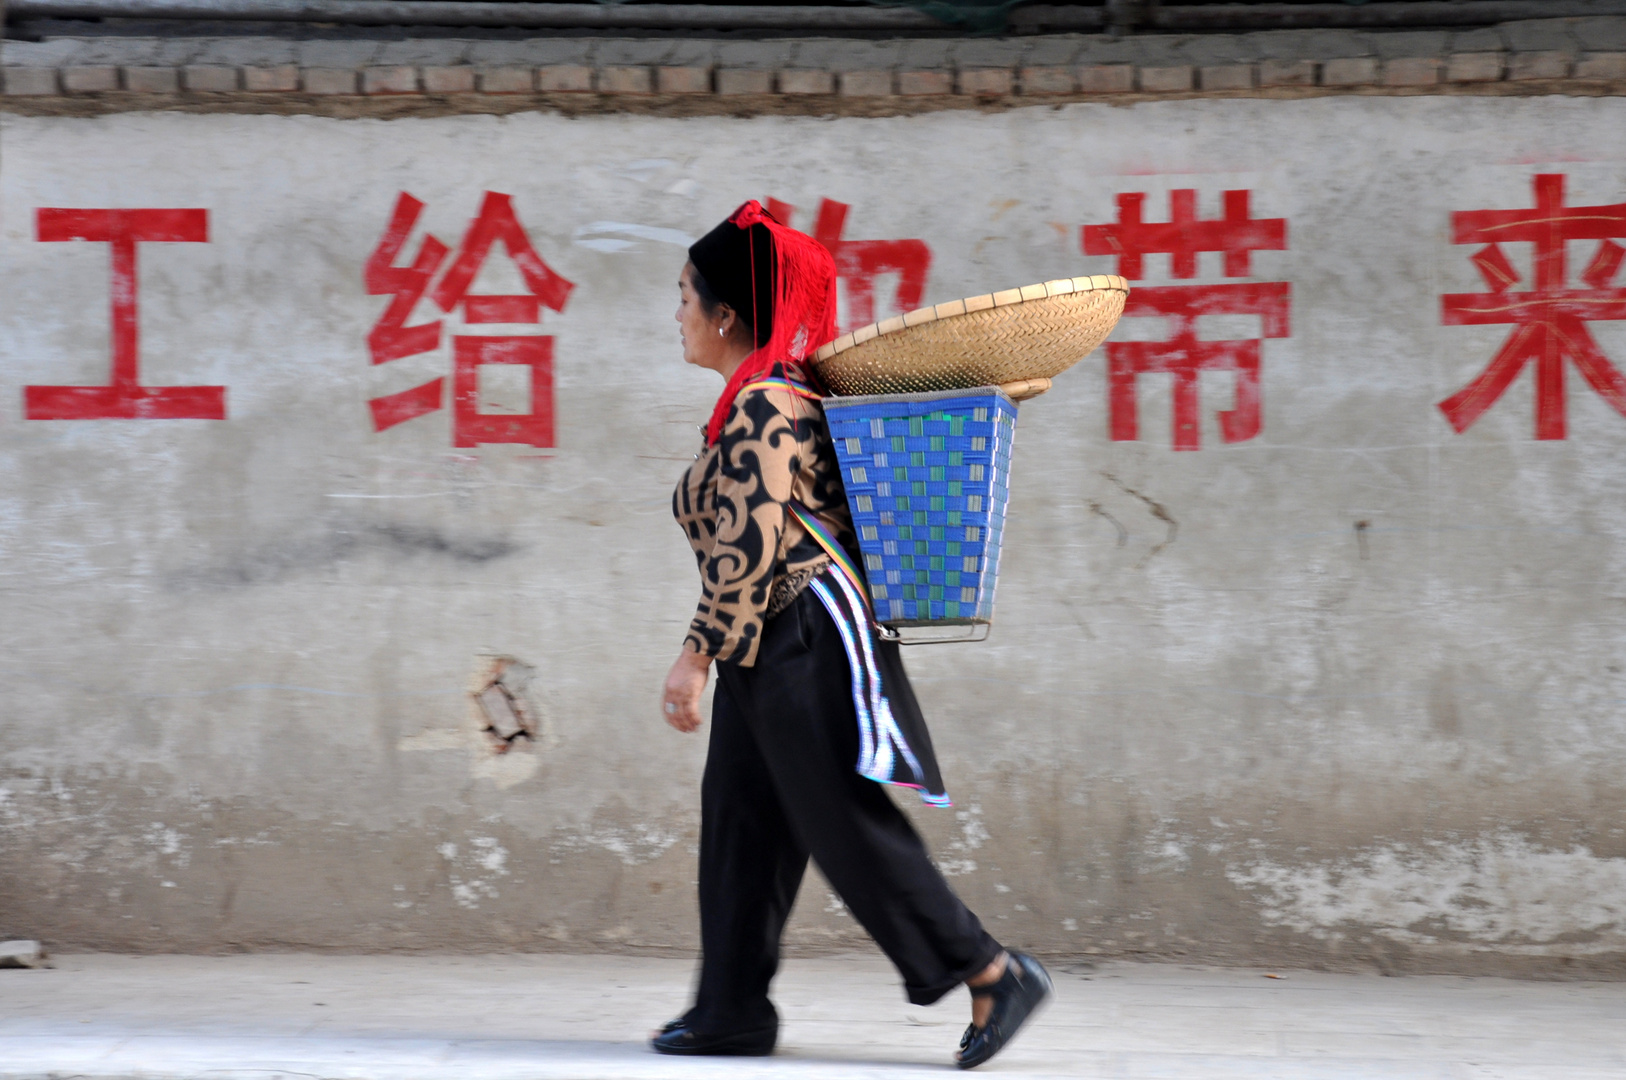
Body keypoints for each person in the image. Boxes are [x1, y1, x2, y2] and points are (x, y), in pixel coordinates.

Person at [654, 201, 1051, 1069]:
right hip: (771, 640)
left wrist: (695, 655)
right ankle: (730, 1011)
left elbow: (751, 544)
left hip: (802, 633)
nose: (675, 313)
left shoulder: (764, 401)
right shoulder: (765, 395)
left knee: (841, 820)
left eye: (684, 296)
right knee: (741, 826)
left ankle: (990, 969)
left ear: (725, 314)